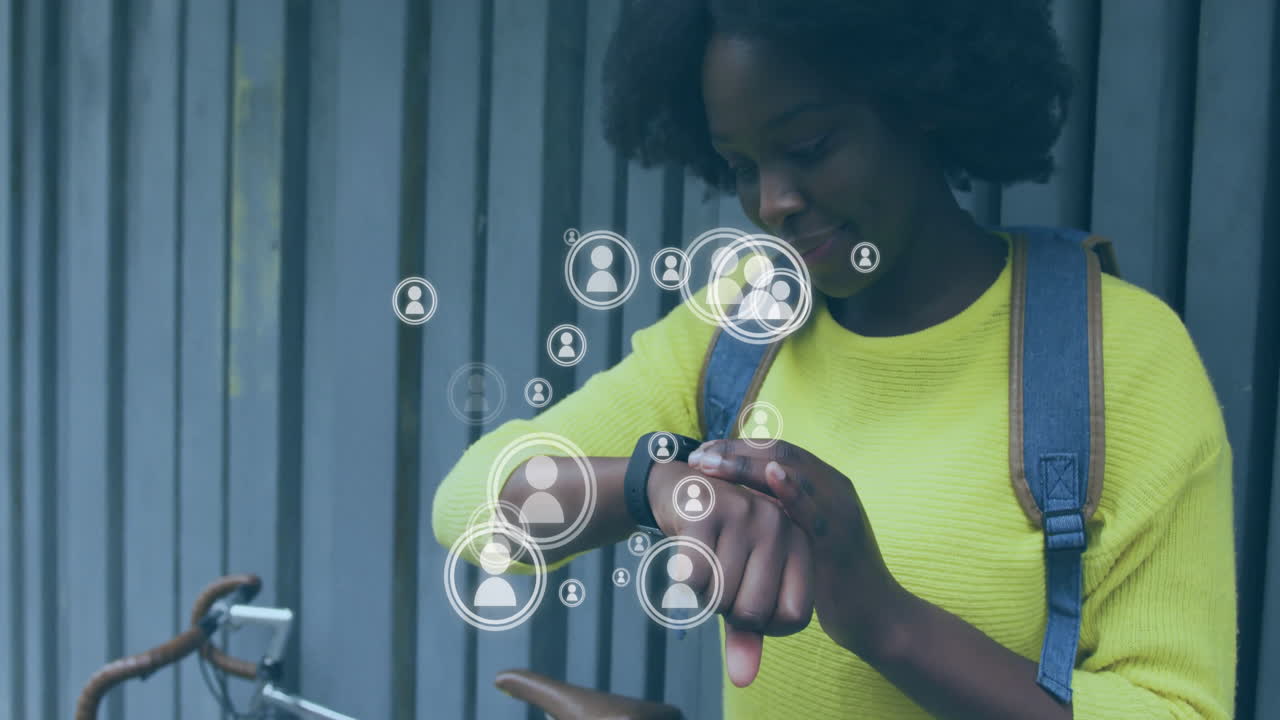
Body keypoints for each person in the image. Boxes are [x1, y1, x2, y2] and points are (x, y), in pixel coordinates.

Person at [433, 1, 1236, 718]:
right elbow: (470, 504)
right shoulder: (746, 324)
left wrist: (888, 622)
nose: (772, 202)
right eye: (743, 167)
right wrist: (658, 483)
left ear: (920, 98)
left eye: (809, 146)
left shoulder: (1118, 356)